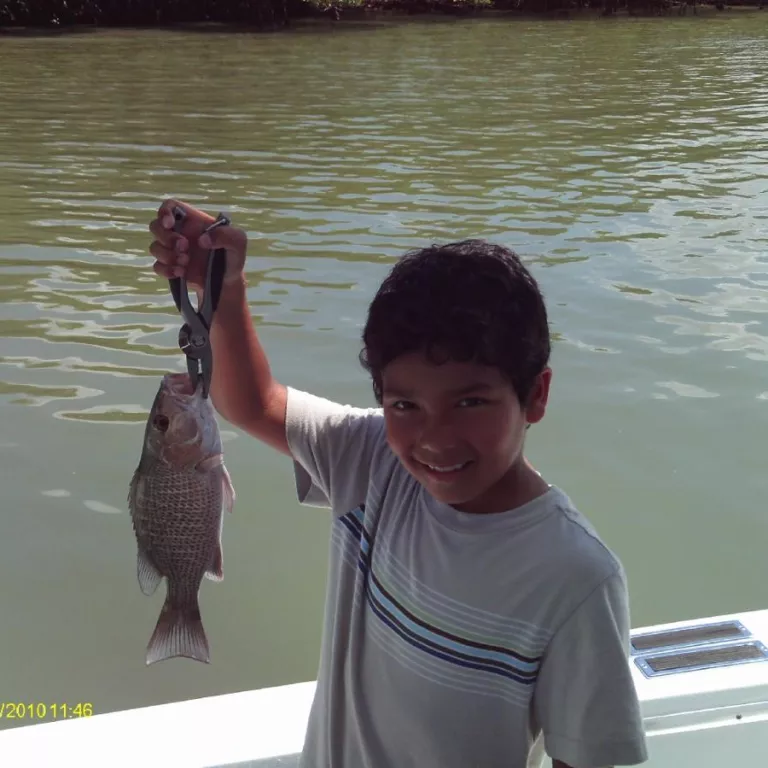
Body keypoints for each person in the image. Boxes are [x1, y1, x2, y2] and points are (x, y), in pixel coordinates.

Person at [148, 199, 648, 768]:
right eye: (404, 403)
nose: (434, 437)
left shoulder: (576, 578)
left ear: (536, 395)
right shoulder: (371, 457)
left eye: (470, 401)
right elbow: (253, 403)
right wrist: (223, 286)